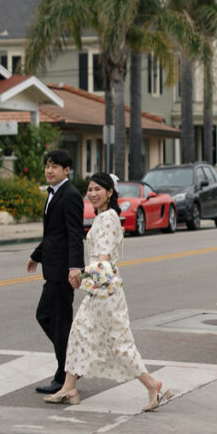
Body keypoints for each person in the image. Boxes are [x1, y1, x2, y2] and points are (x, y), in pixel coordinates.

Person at [44, 171, 173, 412]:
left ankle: (153, 385)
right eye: (89, 190)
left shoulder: (107, 218)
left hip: (104, 292)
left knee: (118, 344)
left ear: (110, 192)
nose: (92, 194)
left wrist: (81, 276)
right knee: (79, 334)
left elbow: (102, 260)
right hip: (102, 290)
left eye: (97, 190)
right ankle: (69, 387)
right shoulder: (106, 216)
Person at [26, 149, 85, 395]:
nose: (49, 170)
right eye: (47, 166)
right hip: (52, 269)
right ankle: (72, 361)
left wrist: (75, 267)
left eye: (55, 166)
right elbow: (53, 233)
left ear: (66, 170)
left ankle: (64, 375)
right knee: (48, 318)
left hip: (62, 272)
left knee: (56, 322)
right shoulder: (54, 194)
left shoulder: (70, 195)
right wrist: (36, 255)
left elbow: (74, 234)